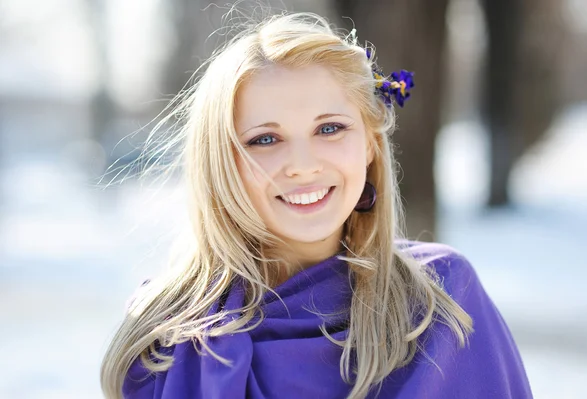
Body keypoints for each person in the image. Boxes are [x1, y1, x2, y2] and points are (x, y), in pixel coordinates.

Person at [100, 11, 533, 399]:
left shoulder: (442, 300)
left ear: (370, 145)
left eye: (329, 128)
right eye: (265, 140)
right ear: (221, 162)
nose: (303, 167)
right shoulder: (164, 330)